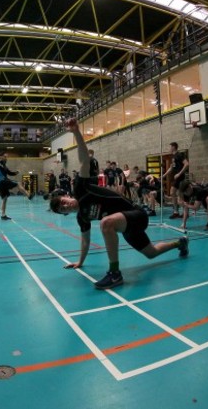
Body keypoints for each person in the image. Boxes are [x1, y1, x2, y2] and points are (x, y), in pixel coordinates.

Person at [49, 119, 189, 290]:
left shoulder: (81, 188)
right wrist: (80, 261)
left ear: (66, 196)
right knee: (151, 253)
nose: (66, 205)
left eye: (64, 202)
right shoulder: (82, 217)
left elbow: (84, 161)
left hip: (136, 215)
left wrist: (76, 132)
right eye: (63, 209)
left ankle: (115, 274)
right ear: (65, 214)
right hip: (126, 227)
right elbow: (85, 242)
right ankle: (180, 243)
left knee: (106, 223)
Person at [0, 152, 34, 220]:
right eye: (5, 156)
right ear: (1, 157)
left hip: (1, 183)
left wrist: (16, 172)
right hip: (2, 181)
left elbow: (10, 173)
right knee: (18, 183)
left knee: (4, 199)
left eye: (6, 157)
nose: (6, 158)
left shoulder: (4, 166)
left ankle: (3, 215)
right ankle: (28, 196)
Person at [163, 142, 189, 219]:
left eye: (170, 147)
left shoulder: (180, 155)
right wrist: (163, 176)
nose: (169, 149)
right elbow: (171, 168)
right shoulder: (173, 157)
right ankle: (176, 211)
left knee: (177, 194)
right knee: (173, 193)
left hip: (180, 178)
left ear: (174, 147)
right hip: (175, 178)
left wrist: (179, 174)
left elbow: (186, 164)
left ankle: (183, 212)